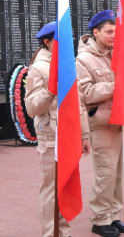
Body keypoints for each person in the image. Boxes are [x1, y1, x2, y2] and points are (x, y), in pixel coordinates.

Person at [25, 22, 90, 237]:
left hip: (70, 136)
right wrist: (50, 91)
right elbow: (32, 107)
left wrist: (84, 134)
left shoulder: (67, 65)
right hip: (51, 137)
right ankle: (49, 233)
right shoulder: (39, 68)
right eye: (60, 39)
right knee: (52, 191)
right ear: (47, 41)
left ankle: (64, 231)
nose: (67, 44)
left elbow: (78, 103)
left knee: (66, 188)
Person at [76, 10, 124, 237]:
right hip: (101, 123)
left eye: (115, 31)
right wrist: (117, 86)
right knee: (105, 174)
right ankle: (99, 219)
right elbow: (85, 93)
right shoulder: (84, 59)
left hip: (119, 121)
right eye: (108, 31)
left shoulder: (117, 54)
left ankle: (113, 215)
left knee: (117, 174)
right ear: (95, 32)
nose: (113, 35)